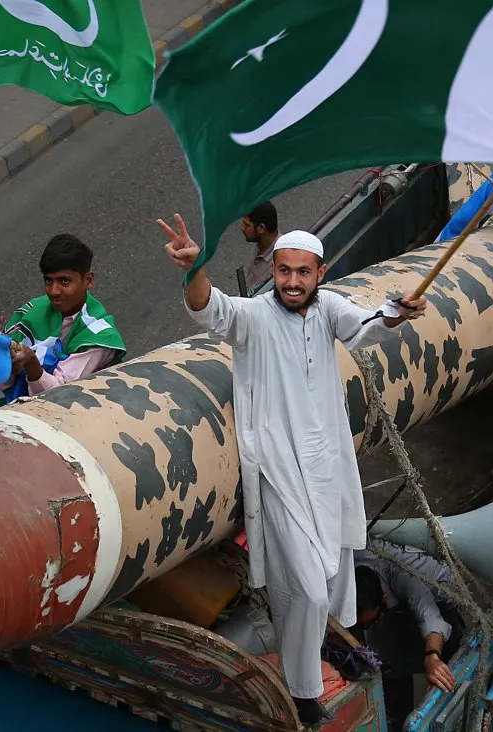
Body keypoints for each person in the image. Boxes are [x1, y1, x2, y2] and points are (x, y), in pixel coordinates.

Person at [159, 212, 427, 726]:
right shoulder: (255, 317)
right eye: (284, 272)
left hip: (327, 465)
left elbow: (367, 323)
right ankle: (301, 688)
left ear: (320, 274)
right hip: (279, 472)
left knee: (326, 577)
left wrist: (398, 310)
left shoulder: (327, 308)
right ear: (274, 271)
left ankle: (313, 658)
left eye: (303, 272)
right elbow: (209, 309)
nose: (293, 282)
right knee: (304, 586)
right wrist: (193, 269)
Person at [0, 234, 125, 408]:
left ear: (88, 280)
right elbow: (0, 374)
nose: (54, 291)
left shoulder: (100, 337)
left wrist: (31, 363)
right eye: (48, 281)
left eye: (64, 281)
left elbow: (58, 396)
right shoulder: (31, 311)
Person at [351, 552, 463, 730]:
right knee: (389, 668)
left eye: (369, 622)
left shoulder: (403, 576)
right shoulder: (341, 576)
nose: (364, 629)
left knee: (446, 668)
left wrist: (432, 656)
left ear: (383, 599)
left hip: (438, 593)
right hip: (390, 615)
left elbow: (431, 618)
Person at [240, 200, 280, 293]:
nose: (242, 227)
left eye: (246, 225)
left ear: (261, 228)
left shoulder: (277, 263)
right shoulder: (261, 246)